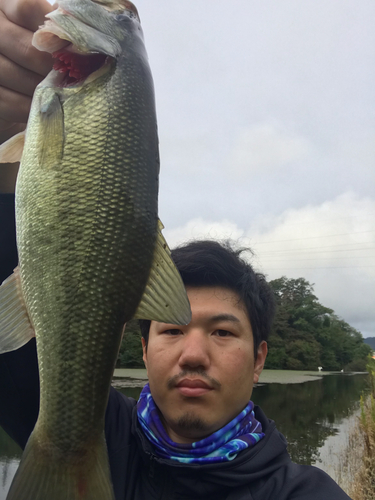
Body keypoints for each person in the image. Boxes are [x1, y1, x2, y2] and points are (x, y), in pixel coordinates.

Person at [0, 1, 352, 498]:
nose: (192, 354)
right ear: (143, 350)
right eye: (171, 329)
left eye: (224, 332)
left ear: (259, 360)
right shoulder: (91, 431)